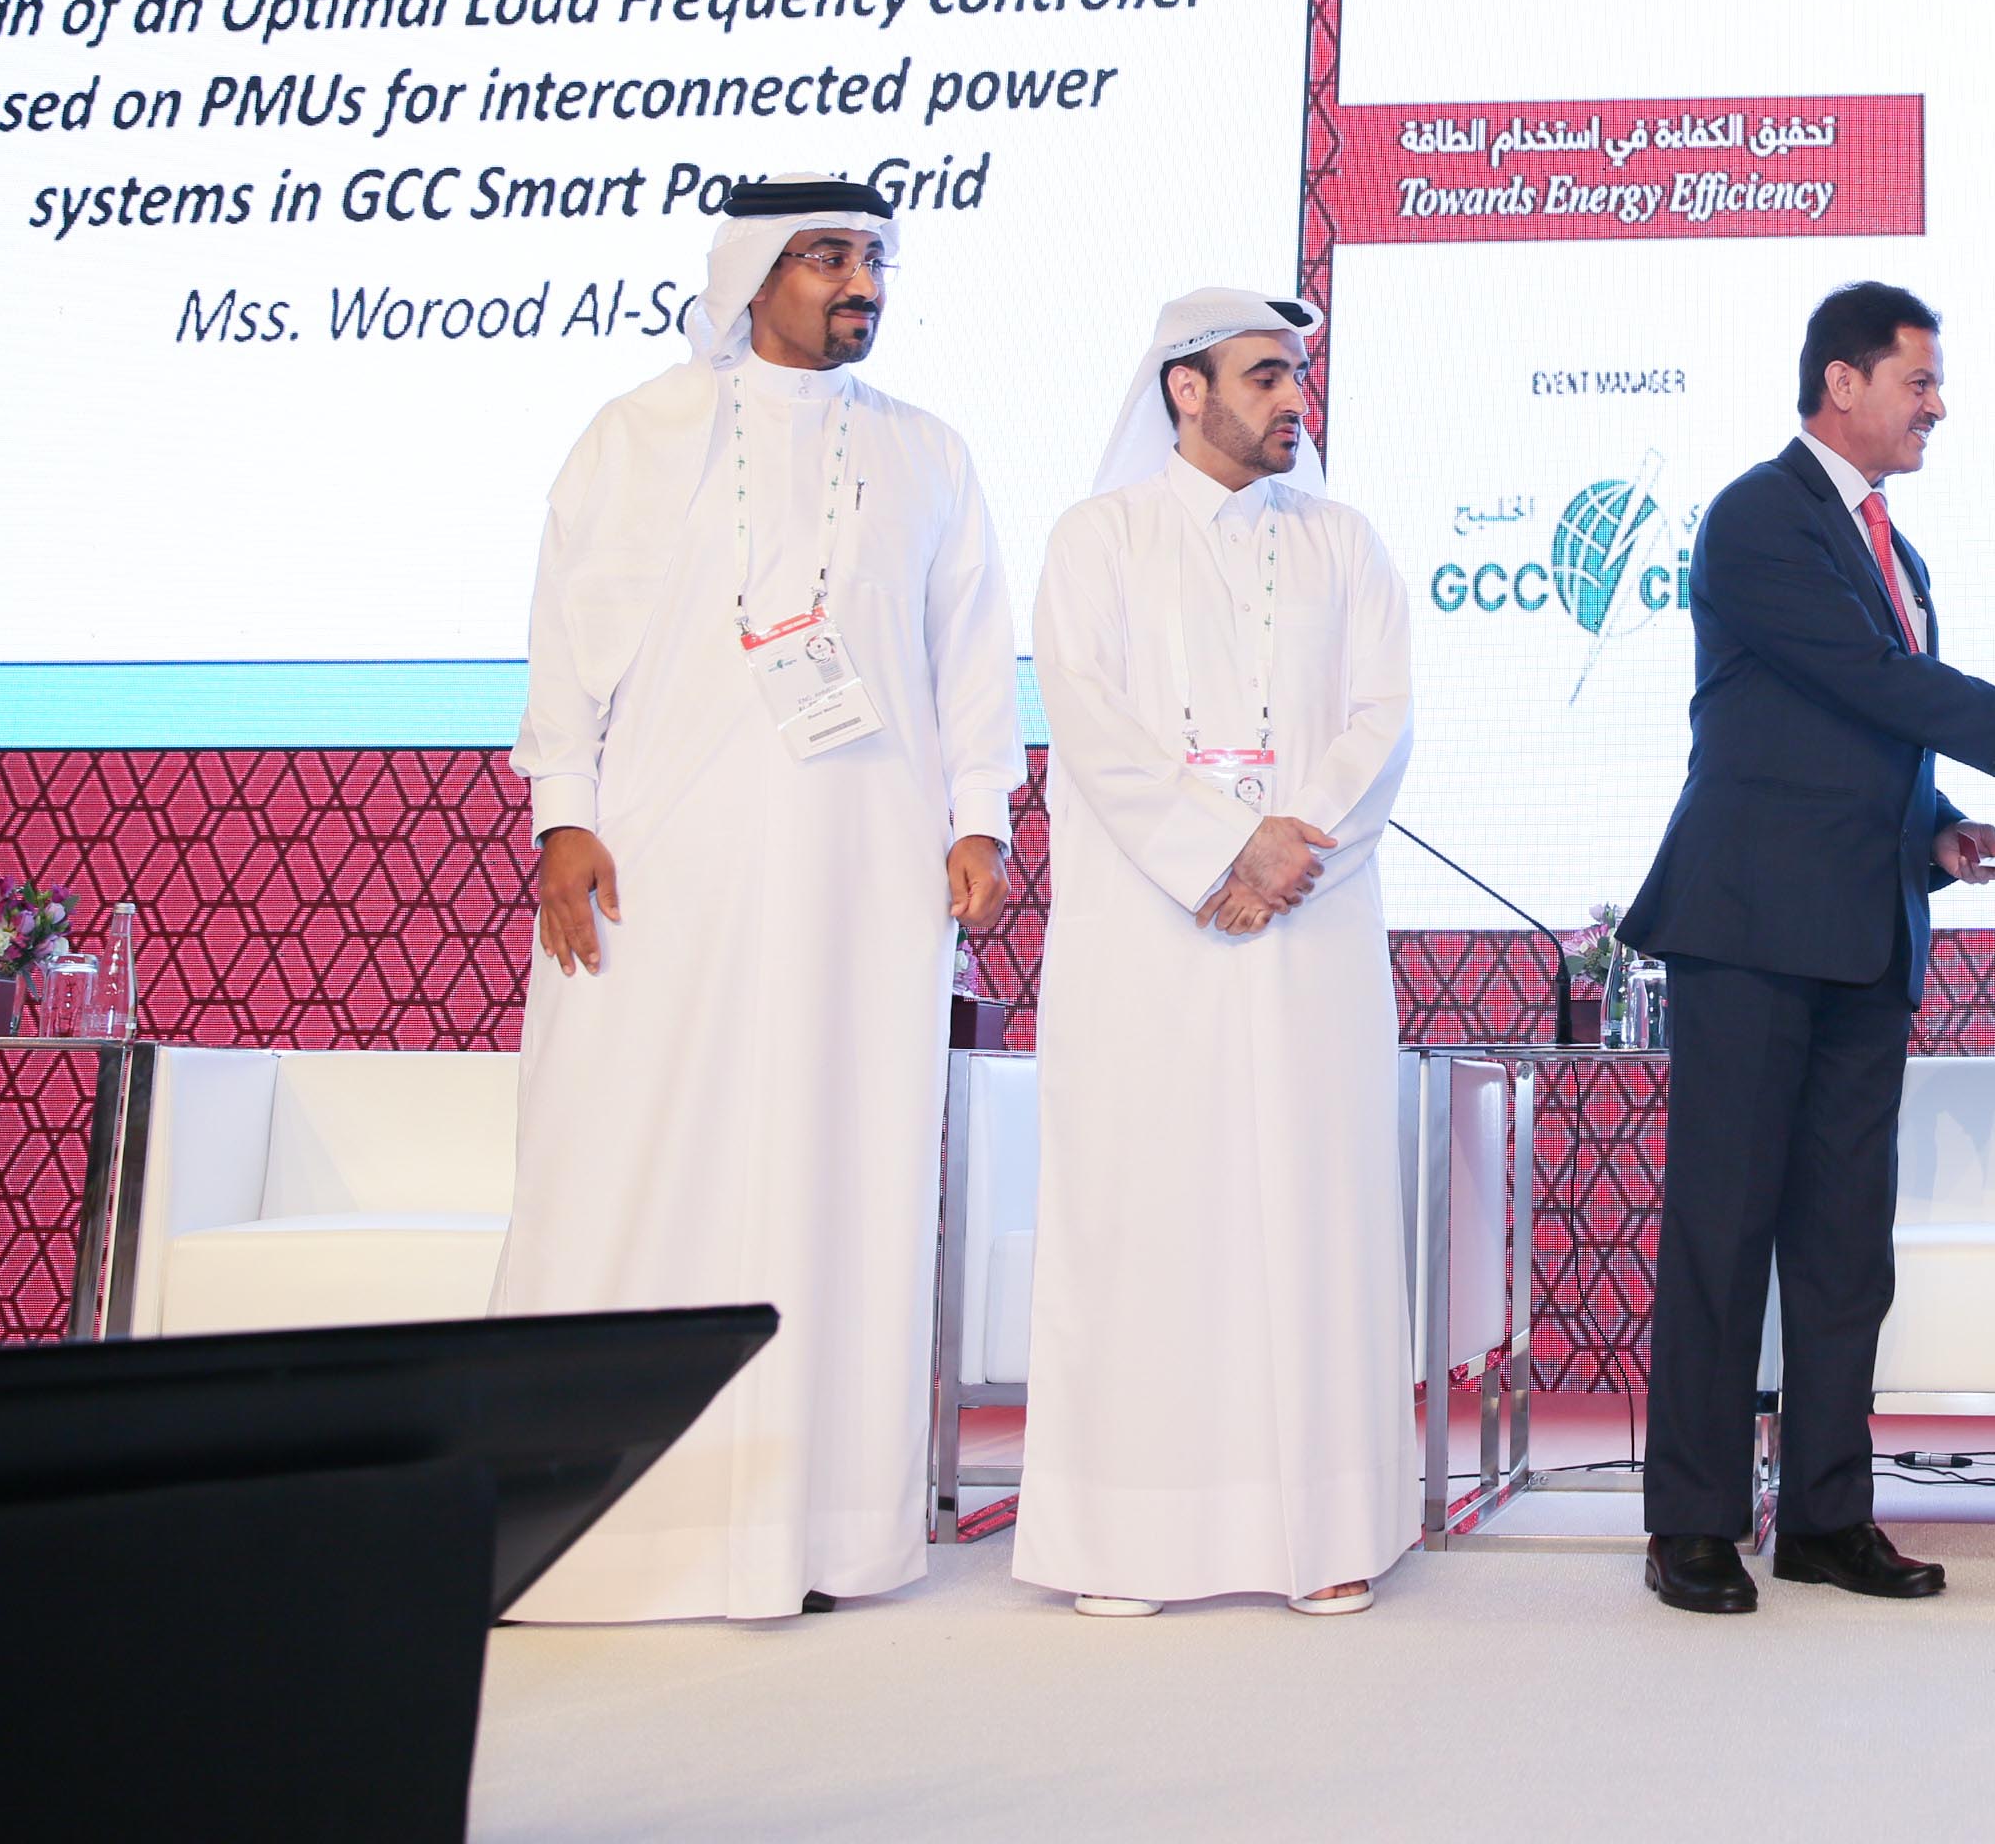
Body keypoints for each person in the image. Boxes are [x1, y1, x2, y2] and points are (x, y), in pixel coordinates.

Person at [502, 177, 1022, 1622]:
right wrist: (562, 812)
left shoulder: (925, 450)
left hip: (867, 871)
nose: (862, 283)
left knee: (840, 1164)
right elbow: (565, 640)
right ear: (750, 274)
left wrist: (980, 815)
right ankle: (603, 1531)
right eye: (828, 257)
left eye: (875, 259)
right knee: (627, 1144)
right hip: (666, 860)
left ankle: (822, 1534)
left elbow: (972, 651)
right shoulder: (642, 431)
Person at [1622, 282, 1995, 1616]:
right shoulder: (1760, 514)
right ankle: (1693, 1521)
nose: (1937, 407)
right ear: (1843, 382)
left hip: (1865, 931)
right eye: (1918, 381)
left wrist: (1935, 831)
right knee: (1723, 1233)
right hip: (1751, 930)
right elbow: (1872, 683)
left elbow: (1860, 735)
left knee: (1844, 1248)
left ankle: (1825, 1516)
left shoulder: (1897, 552)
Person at [1012, 287, 1421, 1622]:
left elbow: (1382, 719)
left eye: (1297, 376)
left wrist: (1287, 851)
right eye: (1264, 376)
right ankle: (1126, 1540)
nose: (1294, 399)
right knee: (1147, 1219)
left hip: (1309, 931)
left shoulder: (1346, 541)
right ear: (1185, 390)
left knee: (1312, 1217)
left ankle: (1326, 1531)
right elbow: (1091, 725)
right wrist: (1222, 852)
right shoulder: (1098, 539)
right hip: (1152, 934)